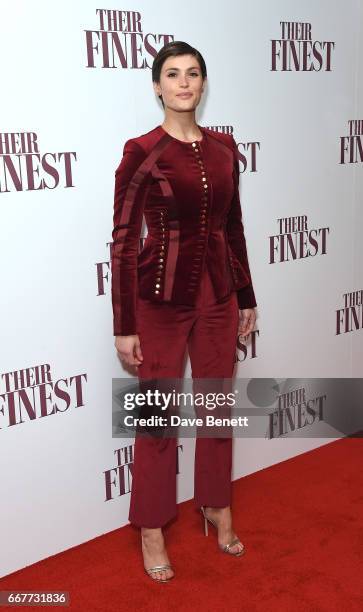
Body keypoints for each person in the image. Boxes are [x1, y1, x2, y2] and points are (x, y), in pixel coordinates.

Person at [111, 41, 257, 582]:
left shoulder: (224, 149)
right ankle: (151, 525)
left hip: (218, 297)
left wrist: (246, 295)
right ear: (157, 86)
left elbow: (233, 228)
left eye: (193, 73)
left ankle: (216, 503)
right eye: (172, 74)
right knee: (157, 420)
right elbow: (124, 243)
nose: (183, 83)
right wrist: (124, 325)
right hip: (160, 303)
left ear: (203, 84)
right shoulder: (141, 150)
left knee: (218, 410)